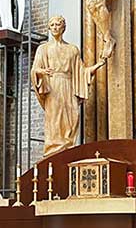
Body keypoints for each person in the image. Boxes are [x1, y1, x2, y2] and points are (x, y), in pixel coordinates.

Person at [31, 16, 106, 156]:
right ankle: (53, 152)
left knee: (71, 118)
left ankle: (67, 150)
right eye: (52, 25)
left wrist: (97, 65)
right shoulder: (43, 48)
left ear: (63, 27)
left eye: (57, 24)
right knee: (54, 119)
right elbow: (35, 69)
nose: (54, 27)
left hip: (69, 86)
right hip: (53, 86)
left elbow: (81, 71)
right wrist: (42, 71)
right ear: (49, 28)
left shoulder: (72, 50)